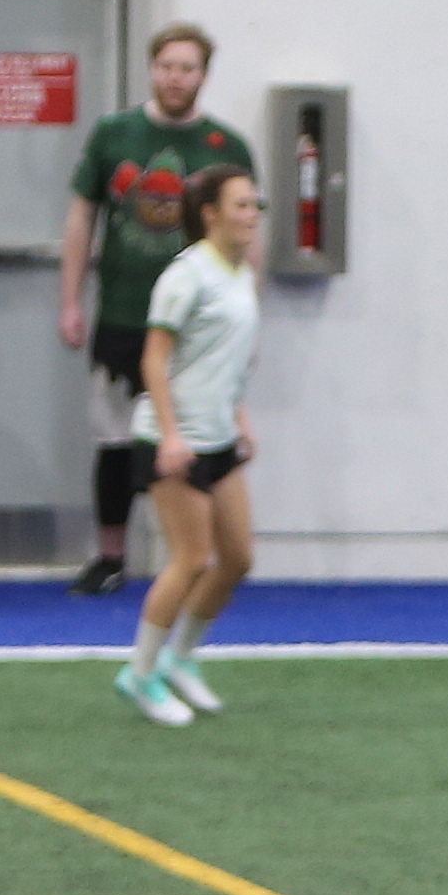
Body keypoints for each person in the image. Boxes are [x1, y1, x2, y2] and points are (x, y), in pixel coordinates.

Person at [59, 25, 250, 600]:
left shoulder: (226, 148)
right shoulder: (113, 134)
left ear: (204, 75)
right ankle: (111, 556)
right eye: (166, 66)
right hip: (123, 314)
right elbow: (81, 218)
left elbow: (246, 236)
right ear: (151, 69)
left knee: (200, 437)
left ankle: (194, 558)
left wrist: (247, 315)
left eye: (187, 68)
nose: (175, 78)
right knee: (115, 440)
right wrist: (70, 300)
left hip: (200, 328)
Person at [114, 167, 260, 726]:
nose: (252, 214)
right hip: (171, 439)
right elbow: (154, 360)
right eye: (241, 204)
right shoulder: (186, 275)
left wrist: (240, 417)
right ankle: (140, 672)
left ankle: (180, 659)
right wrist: (171, 436)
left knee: (238, 559)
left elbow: (230, 359)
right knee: (192, 559)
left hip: (219, 437)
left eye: (254, 204)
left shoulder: (242, 273)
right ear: (210, 214)